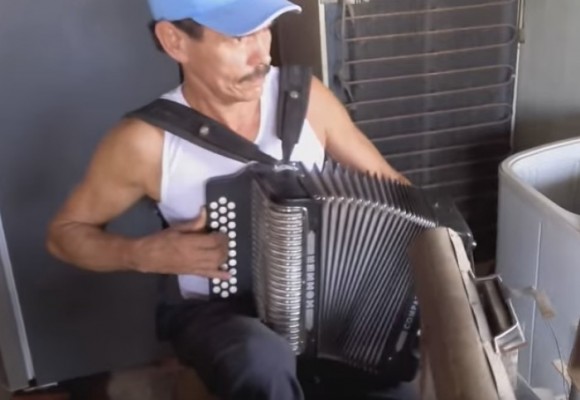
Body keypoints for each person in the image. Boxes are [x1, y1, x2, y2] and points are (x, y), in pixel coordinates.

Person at [46, 0, 410, 399]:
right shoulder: (145, 142)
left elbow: (390, 186)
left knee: (394, 370)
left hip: (327, 298)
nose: (263, 55)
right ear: (175, 41)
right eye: (240, 38)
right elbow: (64, 235)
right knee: (261, 361)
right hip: (219, 313)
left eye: (265, 29)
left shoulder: (306, 99)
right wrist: (143, 253)